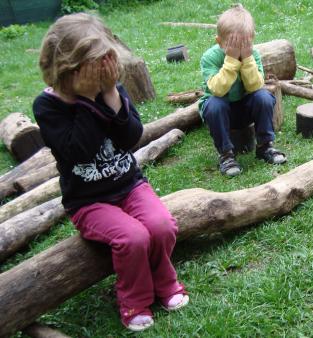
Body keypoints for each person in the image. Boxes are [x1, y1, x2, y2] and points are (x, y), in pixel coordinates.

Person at [33, 13, 189, 332]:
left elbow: (131, 137)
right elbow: (80, 150)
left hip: (129, 185)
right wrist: (90, 99)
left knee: (161, 226)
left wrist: (112, 96)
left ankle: (164, 280)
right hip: (89, 202)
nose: (103, 69)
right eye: (95, 62)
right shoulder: (48, 107)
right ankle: (135, 300)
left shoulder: (110, 89)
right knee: (132, 238)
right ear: (70, 68)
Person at [199, 4, 286, 177]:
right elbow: (217, 89)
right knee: (214, 104)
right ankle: (226, 155)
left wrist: (247, 59)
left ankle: (265, 146)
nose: (238, 51)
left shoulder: (252, 55)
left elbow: (255, 86)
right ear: (219, 42)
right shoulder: (210, 57)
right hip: (221, 111)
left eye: (243, 44)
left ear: (251, 40)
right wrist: (231, 61)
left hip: (245, 108)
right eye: (232, 45)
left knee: (264, 97)